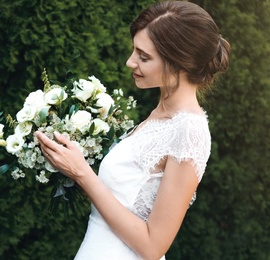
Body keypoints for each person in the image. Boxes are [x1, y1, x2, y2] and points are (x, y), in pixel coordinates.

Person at [36, 1, 230, 259]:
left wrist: (82, 173)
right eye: (134, 51)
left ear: (179, 63)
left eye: (144, 57)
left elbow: (153, 246)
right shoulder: (160, 115)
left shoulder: (190, 131)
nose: (130, 62)